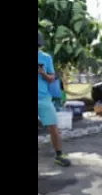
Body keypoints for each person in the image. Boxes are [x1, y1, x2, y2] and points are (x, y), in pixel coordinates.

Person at [38, 31, 72, 168]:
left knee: (53, 127)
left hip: (44, 98)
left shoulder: (46, 58)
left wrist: (43, 73)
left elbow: (52, 79)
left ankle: (59, 155)